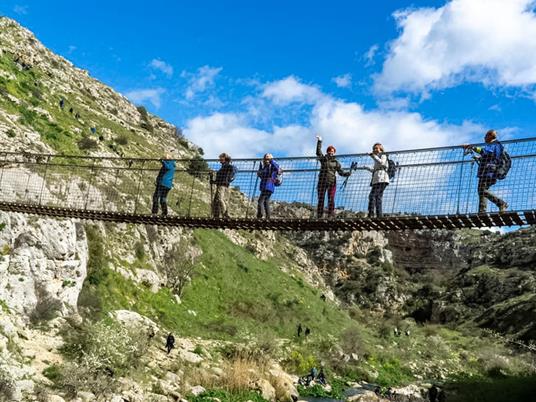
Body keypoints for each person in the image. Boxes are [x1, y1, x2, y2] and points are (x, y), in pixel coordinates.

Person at [463, 130, 508, 213]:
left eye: (486, 136)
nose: (484, 138)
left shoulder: (494, 144)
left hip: (488, 171)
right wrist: (480, 158)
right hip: (490, 171)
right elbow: (492, 156)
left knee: (482, 190)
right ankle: (482, 212)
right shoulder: (497, 146)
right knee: (482, 190)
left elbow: (486, 152)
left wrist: (472, 147)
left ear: (490, 136)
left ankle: (501, 203)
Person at [315, 135, 351, 218]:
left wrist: (347, 174)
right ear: (327, 152)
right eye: (329, 151)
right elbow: (318, 152)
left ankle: (330, 215)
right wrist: (320, 141)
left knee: (331, 198)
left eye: (332, 151)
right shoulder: (324, 159)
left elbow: (340, 172)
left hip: (332, 182)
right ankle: (319, 215)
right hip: (322, 182)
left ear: (334, 152)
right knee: (321, 199)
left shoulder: (336, 162)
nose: (331, 152)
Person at [363, 143, 390, 217]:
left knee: (373, 196)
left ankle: (371, 214)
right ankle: (379, 215)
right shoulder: (377, 157)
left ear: (381, 149)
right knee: (377, 197)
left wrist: (373, 156)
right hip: (377, 179)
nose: (375, 150)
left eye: (376, 148)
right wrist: (367, 167)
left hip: (382, 179)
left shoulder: (383, 155)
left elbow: (382, 163)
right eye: (374, 148)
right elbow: (375, 169)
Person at [210, 153, 235, 218]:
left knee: (220, 199)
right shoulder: (223, 167)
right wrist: (213, 181)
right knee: (216, 201)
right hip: (221, 184)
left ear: (224, 158)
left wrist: (228, 179)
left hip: (222, 185)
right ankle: (216, 215)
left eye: (221, 158)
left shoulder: (227, 166)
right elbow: (220, 177)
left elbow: (232, 171)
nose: (219, 160)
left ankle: (225, 214)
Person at [257, 153, 280, 219]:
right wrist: (260, 170)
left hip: (268, 186)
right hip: (264, 186)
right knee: (266, 202)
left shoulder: (272, 166)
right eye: (265, 158)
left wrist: (271, 160)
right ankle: (268, 217)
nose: (266, 159)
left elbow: (277, 168)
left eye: (267, 158)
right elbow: (262, 176)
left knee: (260, 201)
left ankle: (259, 216)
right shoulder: (265, 167)